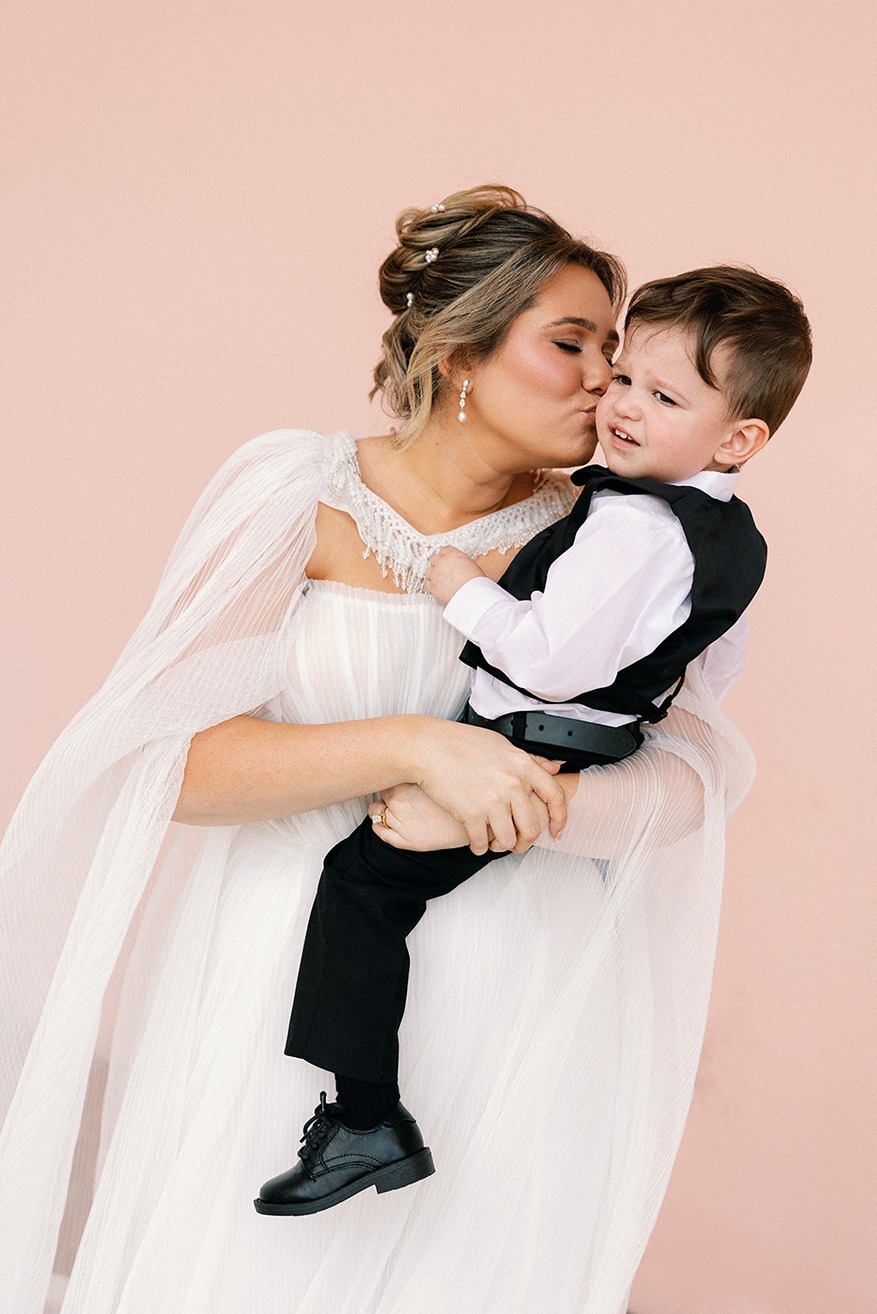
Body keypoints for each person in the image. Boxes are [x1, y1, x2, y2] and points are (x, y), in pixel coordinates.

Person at [0, 186, 753, 1314]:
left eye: (615, 349)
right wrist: (416, 750)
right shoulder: (296, 493)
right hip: (278, 974)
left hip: (518, 984)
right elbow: (172, 764)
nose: (607, 380)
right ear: (459, 353)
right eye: (571, 343)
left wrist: (519, 805)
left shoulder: (614, 532)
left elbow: (693, 774)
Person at [270, 266, 812, 1217]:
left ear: (738, 438)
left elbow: (549, 661)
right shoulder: (732, 536)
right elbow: (708, 672)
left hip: (525, 731)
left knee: (362, 885)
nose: (620, 402)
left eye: (662, 396)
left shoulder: (632, 521)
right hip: (591, 741)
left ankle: (365, 1120)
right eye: (624, 375)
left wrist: (460, 589)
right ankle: (366, 1120)